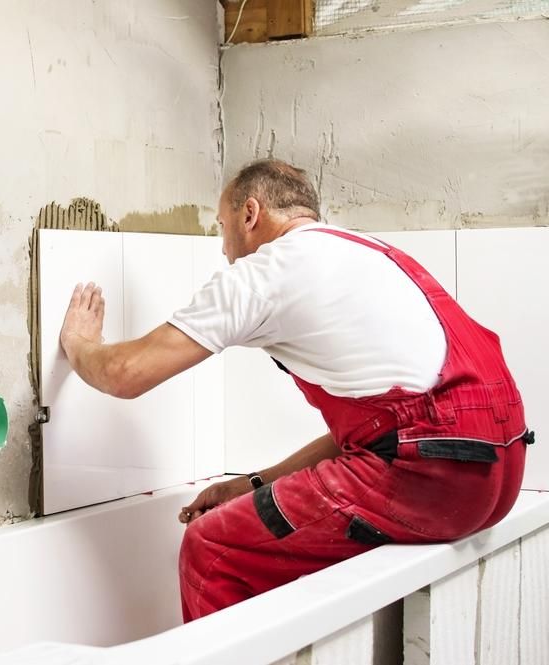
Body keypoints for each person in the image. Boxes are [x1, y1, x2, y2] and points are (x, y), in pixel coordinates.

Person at [58, 159, 532, 622]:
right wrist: (249, 484)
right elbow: (383, 436)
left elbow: (125, 373)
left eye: (221, 227)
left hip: (431, 472)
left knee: (214, 548)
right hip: (498, 466)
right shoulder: (369, 252)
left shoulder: (267, 272)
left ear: (250, 214)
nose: (223, 248)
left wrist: (80, 345)